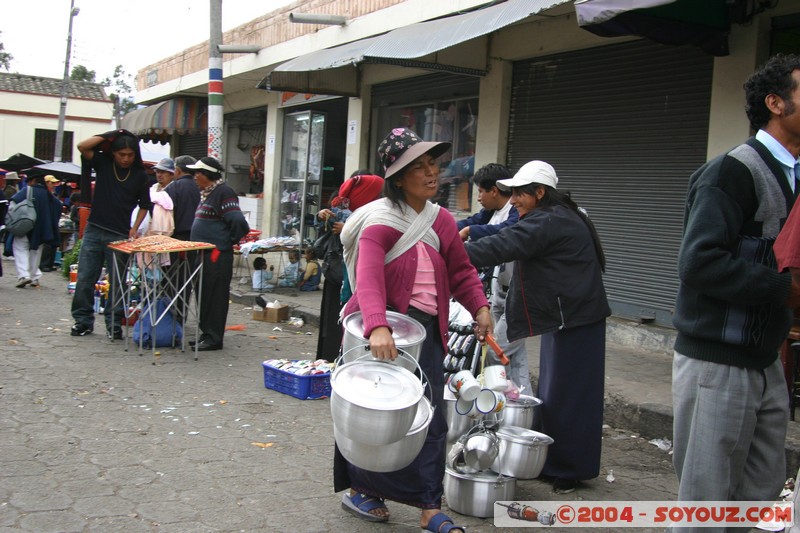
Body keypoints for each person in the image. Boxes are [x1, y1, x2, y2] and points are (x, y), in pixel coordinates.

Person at [337, 127, 492, 533]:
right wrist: (377, 326)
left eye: (433, 165)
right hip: (384, 336)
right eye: (418, 168)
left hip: (427, 337)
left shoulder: (440, 221)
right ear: (398, 178)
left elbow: (461, 271)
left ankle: (428, 504)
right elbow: (368, 277)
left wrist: (479, 305)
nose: (431, 174)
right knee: (374, 419)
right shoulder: (380, 221)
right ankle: (362, 488)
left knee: (428, 420)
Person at [669, 53, 800, 528]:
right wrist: (783, 288)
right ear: (776, 103)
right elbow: (699, 263)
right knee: (706, 501)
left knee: (759, 492)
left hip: (765, 360)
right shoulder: (731, 171)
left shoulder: (795, 175)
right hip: (717, 363)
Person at [465, 160, 610, 494]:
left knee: (573, 396)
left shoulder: (550, 221)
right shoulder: (553, 216)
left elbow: (503, 245)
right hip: (568, 316)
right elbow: (504, 235)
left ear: (540, 192)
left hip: (578, 317)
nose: (512, 199)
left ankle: (571, 468)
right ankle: (556, 460)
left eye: (518, 193)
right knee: (557, 393)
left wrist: (453, 258)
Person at [71, 129, 151, 339]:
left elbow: (145, 205)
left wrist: (135, 228)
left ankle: (114, 324)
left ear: (135, 155)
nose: (125, 159)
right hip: (94, 229)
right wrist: (115, 133)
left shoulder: (141, 176)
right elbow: (83, 146)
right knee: (85, 278)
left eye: (130, 155)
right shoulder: (104, 164)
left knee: (117, 283)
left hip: (119, 235)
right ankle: (82, 321)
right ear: (113, 153)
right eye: (121, 154)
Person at [457, 163, 530, 394]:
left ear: (495, 190)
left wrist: (469, 235)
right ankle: (522, 402)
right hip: (501, 289)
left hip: (521, 296)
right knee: (516, 357)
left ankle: (491, 402)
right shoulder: (491, 212)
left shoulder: (519, 214)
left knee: (494, 352)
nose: (478, 197)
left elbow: (508, 232)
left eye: (480, 191)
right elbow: (470, 222)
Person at [315, 170, 384, 361]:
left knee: (349, 323)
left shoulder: (375, 214)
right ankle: (329, 361)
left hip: (356, 278)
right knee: (333, 321)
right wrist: (322, 217)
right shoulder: (341, 207)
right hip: (337, 271)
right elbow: (324, 228)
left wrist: (348, 230)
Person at [188, 157, 249, 352]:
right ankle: (206, 334)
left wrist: (226, 241)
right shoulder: (208, 193)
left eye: (197, 173)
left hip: (216, 255)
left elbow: (239, 222)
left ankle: (214, 338)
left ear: (206, 174)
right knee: (204, 295)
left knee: (214, 297)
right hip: (204, 254)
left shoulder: (223, 192)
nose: (194, 177)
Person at [8, 174, 62, 288]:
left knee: (20, 248)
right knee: (36, 252)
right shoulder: (48, 195)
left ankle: (24, 275)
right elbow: (58, 207)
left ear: (33, 181)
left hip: (25, 225)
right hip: (42, 229)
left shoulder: (27, 190)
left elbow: (13, 205)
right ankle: (34, 277)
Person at [38, 175, 64, 272]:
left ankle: (49, 263)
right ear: (46, 183)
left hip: (53, 220)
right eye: (52, 183)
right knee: (47, 243)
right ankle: (44, 264)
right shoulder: (44, 194)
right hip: (47, 221)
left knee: (53, 243)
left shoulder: (52, 195)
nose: (54, 185)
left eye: (54, 183)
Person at [147, 158, 176, 237]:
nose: (159, 175)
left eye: (163, 172)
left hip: (167, 232)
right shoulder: (153, 189)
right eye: (157, 172)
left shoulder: (174, 190)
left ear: (172, 174)